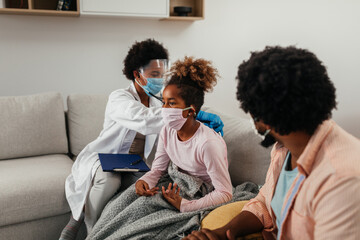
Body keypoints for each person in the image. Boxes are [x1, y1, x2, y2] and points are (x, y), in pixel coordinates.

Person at [183, 46, 360, 240]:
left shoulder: (343, 179)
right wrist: (222, 234)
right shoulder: (285, 147)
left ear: (263, 119)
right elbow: (265, 202)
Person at [59, 39, 224, 240]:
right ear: (137, 74)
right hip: (108, 157)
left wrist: (195, 116)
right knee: (109, 181)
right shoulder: (119, 98)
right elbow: (145, 120)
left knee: (146, 194)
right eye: (154, 75)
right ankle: (91, 231)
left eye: (163, 74)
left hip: (136, 164)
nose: (160, 79)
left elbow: (175, 117)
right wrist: (192, 115)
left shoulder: (159, 102)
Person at [135, 56, 233, 212]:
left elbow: (225, 193)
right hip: (177, 181)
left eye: (172, 103)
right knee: (134, 202)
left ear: (191, 110)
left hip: (201, 191)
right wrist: (145, 181)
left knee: (146, 211)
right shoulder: (167, 130)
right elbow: (158, 170)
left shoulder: (208, 144)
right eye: (164, 102)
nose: (164, 109)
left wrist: (185, 206)